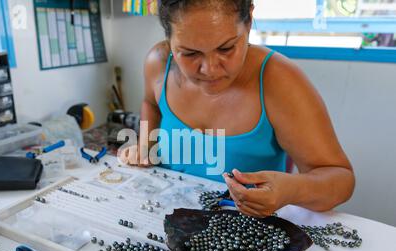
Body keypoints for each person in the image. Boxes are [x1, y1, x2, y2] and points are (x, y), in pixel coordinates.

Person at [120, 0, 355, 218]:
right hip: (158, 213)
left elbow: (341, 180)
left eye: (226, 48)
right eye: (190, 53)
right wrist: (145, 144)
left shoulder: (279, 81)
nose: (210, 69)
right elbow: (151, 103)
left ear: (249, 21)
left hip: (241, 235)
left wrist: (290, 191)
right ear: (168, 37)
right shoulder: (159, 62)